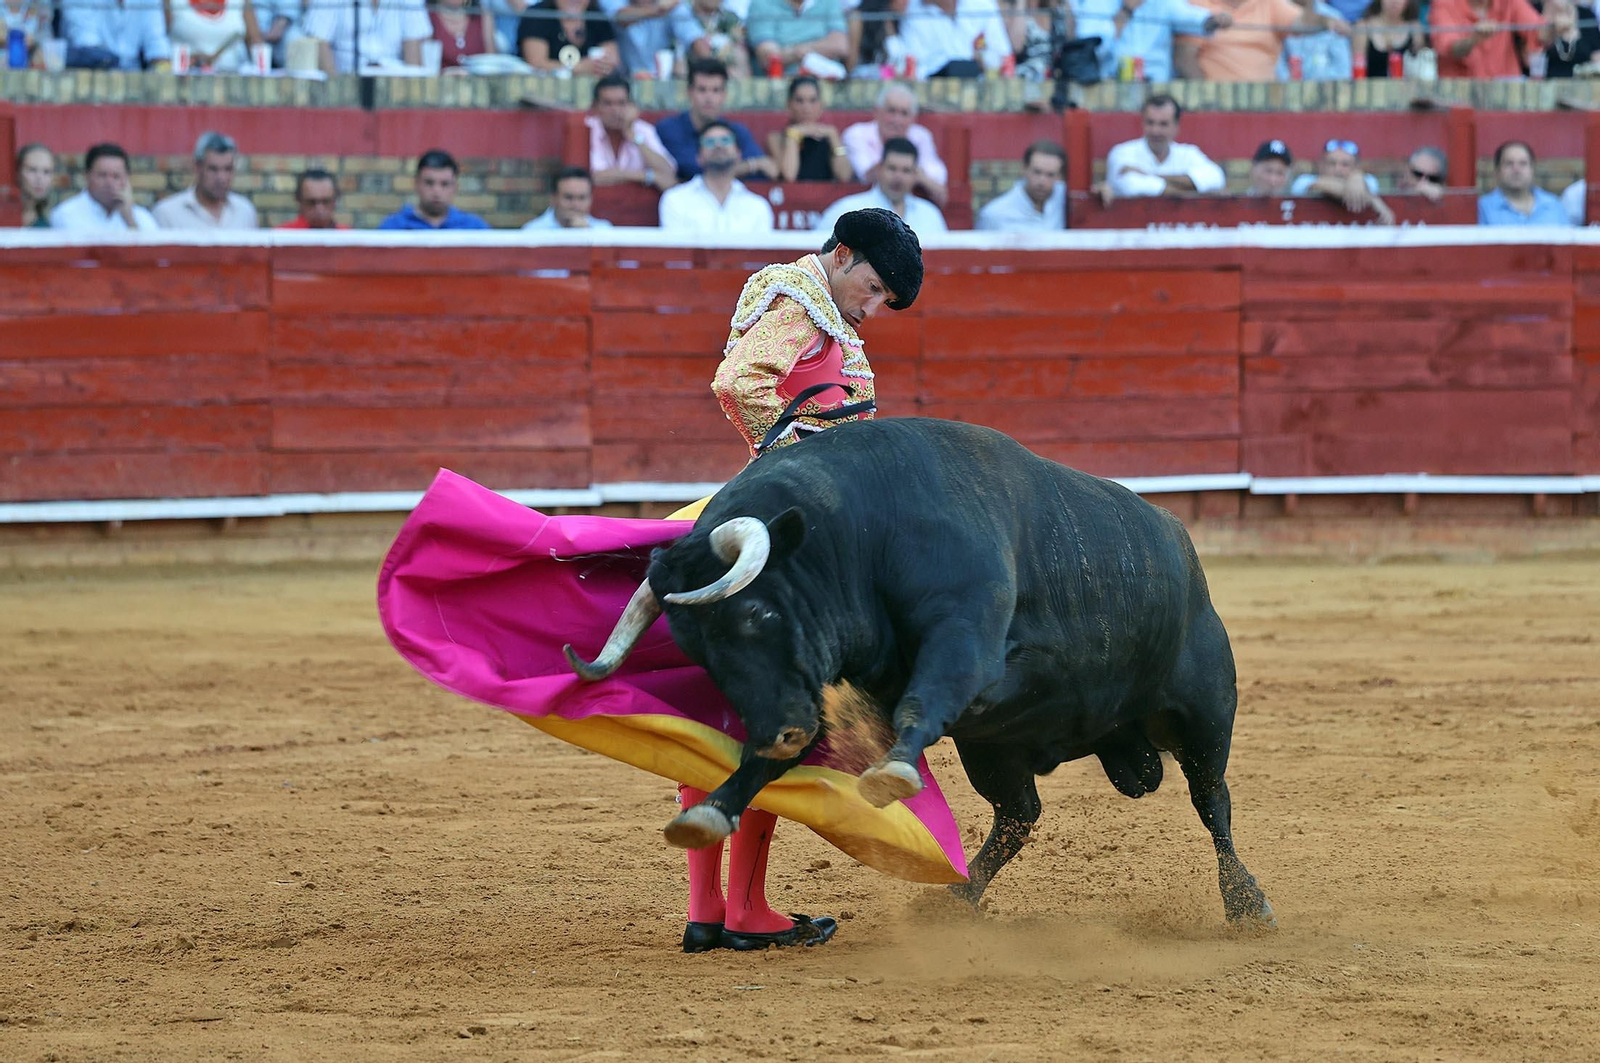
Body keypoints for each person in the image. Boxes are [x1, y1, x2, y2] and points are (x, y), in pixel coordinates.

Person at [656, 59, 778, 183]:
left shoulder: (737, 131)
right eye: (702, 90)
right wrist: (751, 165)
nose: (709, 98)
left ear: (724, 94)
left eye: (716, 90)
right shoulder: (669, 128)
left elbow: (768, 170)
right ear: (689, 92)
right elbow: (692, 170)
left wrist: (754, 165)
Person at [1097, 95, 1225, 204]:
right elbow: (1130, 185)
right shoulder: (1122, 153)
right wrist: (1196, 193)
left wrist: (1148, 174)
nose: (1155, 131)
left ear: (1176, 126)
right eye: (1150, 123)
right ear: (1143, 123)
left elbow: (1216, 178)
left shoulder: (1188, 153)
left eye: (1163, 124)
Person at [1065, 0, 1229, 83]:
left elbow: (1192, 18)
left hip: (1156, 87)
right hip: (1113, 86)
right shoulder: (1097, 3)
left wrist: (1214, 20)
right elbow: (1094, 48)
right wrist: (1127, 9)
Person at [658, 120, 777, 234]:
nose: (718, 145)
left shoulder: (757, 207)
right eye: (709, 142)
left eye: (725, 140)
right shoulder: (676, 200)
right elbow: (677, 253)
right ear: (699, 158)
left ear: (739, 155)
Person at [840, 85, 947, 208]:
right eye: (891, 111)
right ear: (876, 112)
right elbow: (867, 174)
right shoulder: (856, 133)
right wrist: (913, 174)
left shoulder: (921, 136)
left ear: (913, 118)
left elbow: (938, 182)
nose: (897, 120)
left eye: (904, 113)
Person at [817, 137, 946, 239]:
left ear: (915, 174)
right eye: (892, 168)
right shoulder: (846, 209)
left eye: (906, 171)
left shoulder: (930, 214)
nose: (898, 177)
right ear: (879, 169)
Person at [153, 132, 260, 231]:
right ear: (197, 167)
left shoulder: (245, 212)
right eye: (213, 169)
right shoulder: (167, 214)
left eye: (228, 169)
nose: (221, 178)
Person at [587, 74, 678, 190]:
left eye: (621, 103)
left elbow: (668, 173)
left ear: (632, 106)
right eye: (608, 104)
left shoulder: (643, 130)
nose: (615, 111)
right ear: (595, 107)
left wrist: (633, 136)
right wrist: (647, 176)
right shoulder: (586, 129)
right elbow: (592, 176)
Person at [50, 143, 160, 233]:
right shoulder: (66, 215)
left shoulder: (141, 217)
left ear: (126, 179)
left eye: (116, 176)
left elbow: (149, 257)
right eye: (102, 175)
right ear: (87, 176)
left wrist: (129, 220)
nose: (109, 183)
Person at [766, 76, 854, 183]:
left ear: (821, 106)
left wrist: (834, 137)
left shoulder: (829, 136)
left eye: (813, 101)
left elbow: (844, 176)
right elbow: (789, 176)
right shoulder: (776, 138)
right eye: (800, 101)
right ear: (789, 105)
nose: (806, 108)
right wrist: (794, 134)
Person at [303, 0, 431, 74]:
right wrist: (338, 91)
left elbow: (413, 62)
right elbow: (318, 41)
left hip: (395, 85)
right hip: (346, 79)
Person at [1428, 0, 1544, 78]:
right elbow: (1450, 47)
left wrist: (1555, 26)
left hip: (1506, 92)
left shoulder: (1509, 2)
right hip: (1460, 95)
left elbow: (1539, 32)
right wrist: (1474, 40)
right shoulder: (1443, 4)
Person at [378, 150, 491, 230]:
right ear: (416, 184)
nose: (436, 191)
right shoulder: (394, 227)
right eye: (429, 183)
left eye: (445, 184)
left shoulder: (473, 228)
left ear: (455, 187)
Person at [898, 0, 1013, 77]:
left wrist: (983, 60)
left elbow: (1003, 56)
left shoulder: (983, 4)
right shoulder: (912, 10)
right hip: (933, 95)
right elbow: (913, 68)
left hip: (980, 91)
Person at [599, 0, 709, 76]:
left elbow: (696, 39)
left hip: (660, 81)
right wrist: (658, 10)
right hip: (622, 79)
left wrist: (710, 68)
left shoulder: (673, 6)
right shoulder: (666, 6)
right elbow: (621, 17)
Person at [976, 140, 1067, 230]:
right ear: (1024, 169)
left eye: (1050, 175)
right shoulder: (994, 215)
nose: (1042, 181)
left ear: (1059, 177)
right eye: (1037, 172)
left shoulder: (1064, 200)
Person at [746, 0, 851, 77]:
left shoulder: (828, 2)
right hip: (782, 83)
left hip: (826, 81)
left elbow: (840, 45)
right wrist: (805, 52)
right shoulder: (761, 4)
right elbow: (769, 57)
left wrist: (799, 51)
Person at [59, 0, 173, 70]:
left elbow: (157, 45)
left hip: (135, 82)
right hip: (92, 80)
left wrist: (163, 67)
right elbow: (88, 48)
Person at [1478, 141, 1569, 227]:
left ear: (1532, 169)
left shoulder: (1554, 205)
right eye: (1509, 163)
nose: (1516, 170)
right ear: (1497, 171)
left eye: (1523, 163)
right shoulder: (1483, 208)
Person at [518, 0, 618, 74]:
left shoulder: (596, 16)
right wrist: (577, 68)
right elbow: (536, 64)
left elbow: (613, 61)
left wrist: (603, 66)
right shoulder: (539, 13)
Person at [166, 0, 262, 72]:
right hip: (185, 81)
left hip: (234, 80)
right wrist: (191, 60)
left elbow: (257, 44)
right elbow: (157, 47)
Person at [523, 167, 615, 228]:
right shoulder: (533, 231)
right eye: (568, 197)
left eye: (582, 198)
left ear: (591, 199)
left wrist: (587, 234)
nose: (575, 204)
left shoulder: (604, 231)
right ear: (553, 199)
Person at [1351, 0, 1421, 76]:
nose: (1395, 2)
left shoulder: (1415, 28)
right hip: (1371, 86)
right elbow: (1357, 67)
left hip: (1405, 87)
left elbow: (1420, 68)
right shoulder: (1363, 26)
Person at [681, 0, 748, 78]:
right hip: (690, 76)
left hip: (727, 77)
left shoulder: (731, 19)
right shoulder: (682, 14)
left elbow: (739, 49)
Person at [1535, 0, 1600, 77]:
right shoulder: (1538, 11)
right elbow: (1535, 53)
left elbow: (1597, 56)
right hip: (1547, 83)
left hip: (1583, 82)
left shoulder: (1586, 14)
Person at [430, 0, 496, 70]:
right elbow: (425, 68)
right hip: (441, 80)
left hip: (478, 79)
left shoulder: (483, 16)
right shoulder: (427, 17)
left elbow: (492, 64)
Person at [277, 170, 348, 229]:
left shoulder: (349, 237)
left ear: (335, 200)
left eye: (326, 202)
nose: (319, 209)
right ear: (299, 200)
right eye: (311, 202)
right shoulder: (281, 236)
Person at [16, 144, 56, 229]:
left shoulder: (46, 227)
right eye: (32, 170)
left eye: (46, 172)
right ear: (17, 173)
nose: (40, 179)